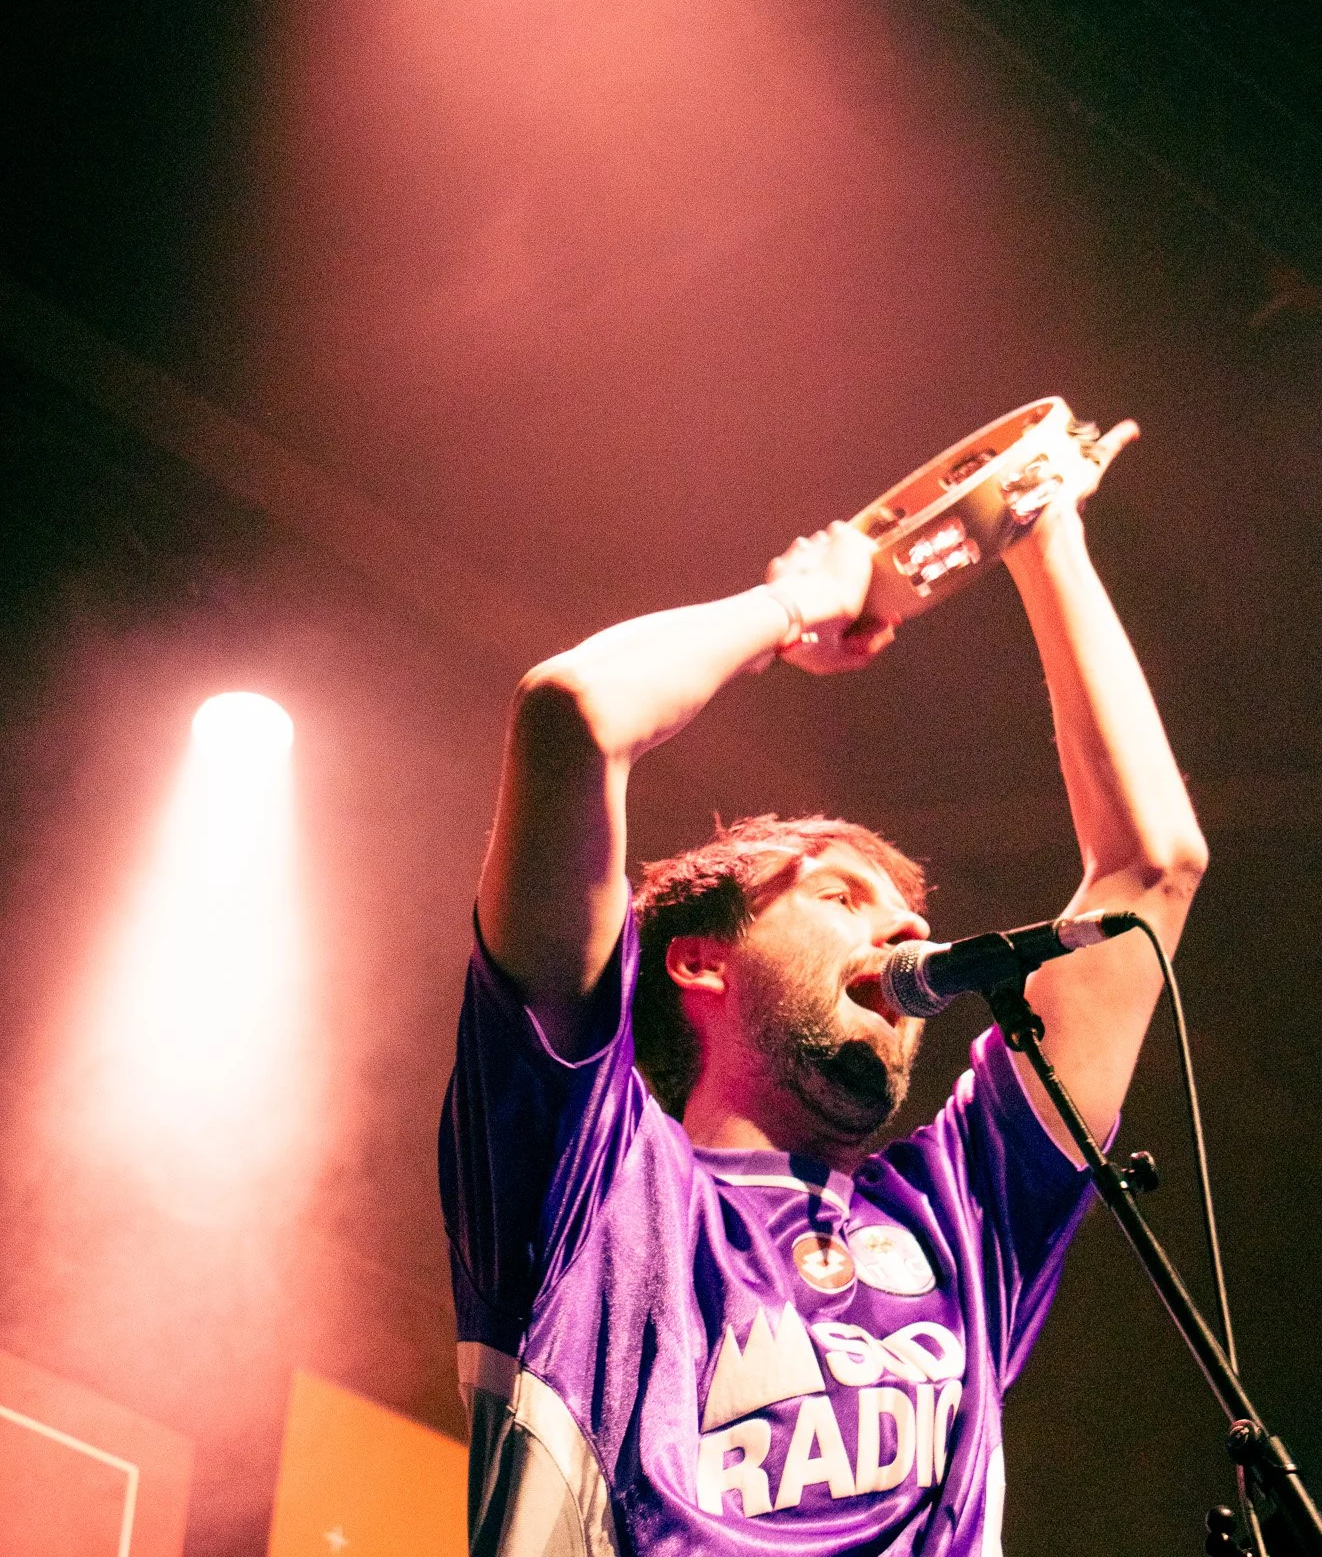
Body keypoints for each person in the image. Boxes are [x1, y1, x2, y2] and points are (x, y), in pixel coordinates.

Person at [440, 420, 1207, 1557]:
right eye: (843, 894)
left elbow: (1151, 867)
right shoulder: (584, 1174)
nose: (906, 925)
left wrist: (1042, 533)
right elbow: (573, 711)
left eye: (907, 911)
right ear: (700, 958)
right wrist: (800, 601)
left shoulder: (960, 1213)